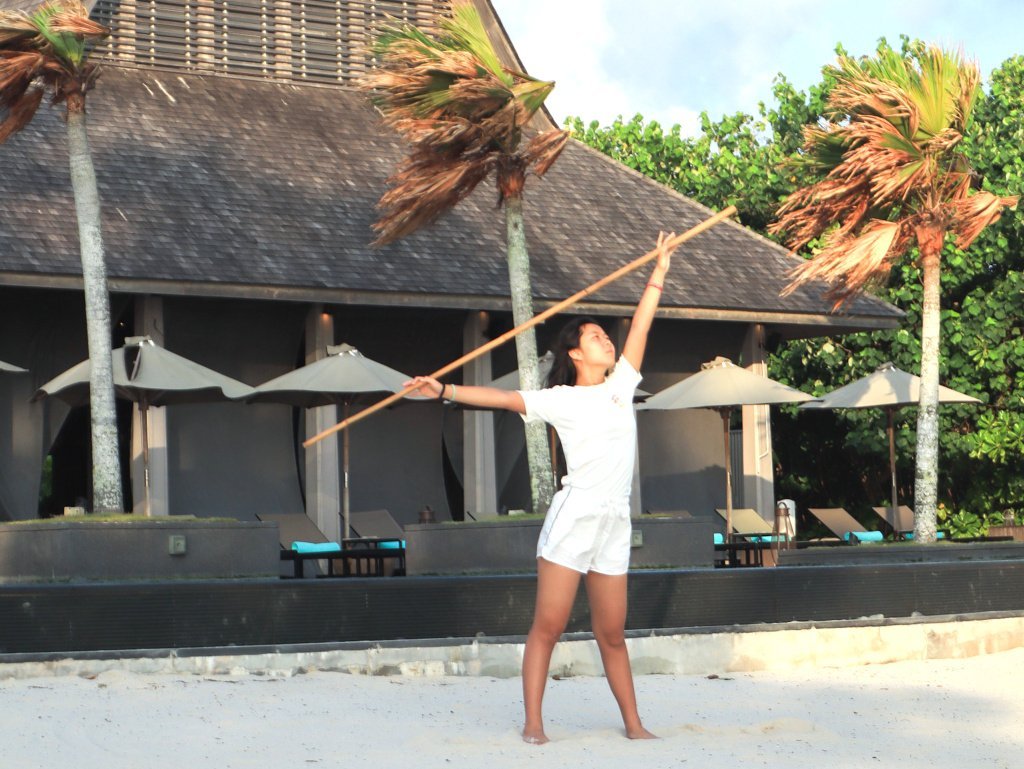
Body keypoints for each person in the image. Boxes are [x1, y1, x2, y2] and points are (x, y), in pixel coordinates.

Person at [404, 232, 677, 744]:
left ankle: (635, 724)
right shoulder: (561, 399)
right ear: (575, 353)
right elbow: (505, 400)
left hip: (615, 519)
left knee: (612, 632)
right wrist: (444, 389)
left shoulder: (621, 386)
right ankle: (533, 723)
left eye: (606, 336)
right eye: (596, 337)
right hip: (575, 517)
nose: (607, 341)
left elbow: (641, 326)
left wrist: (658, 272)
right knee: (549, 625)